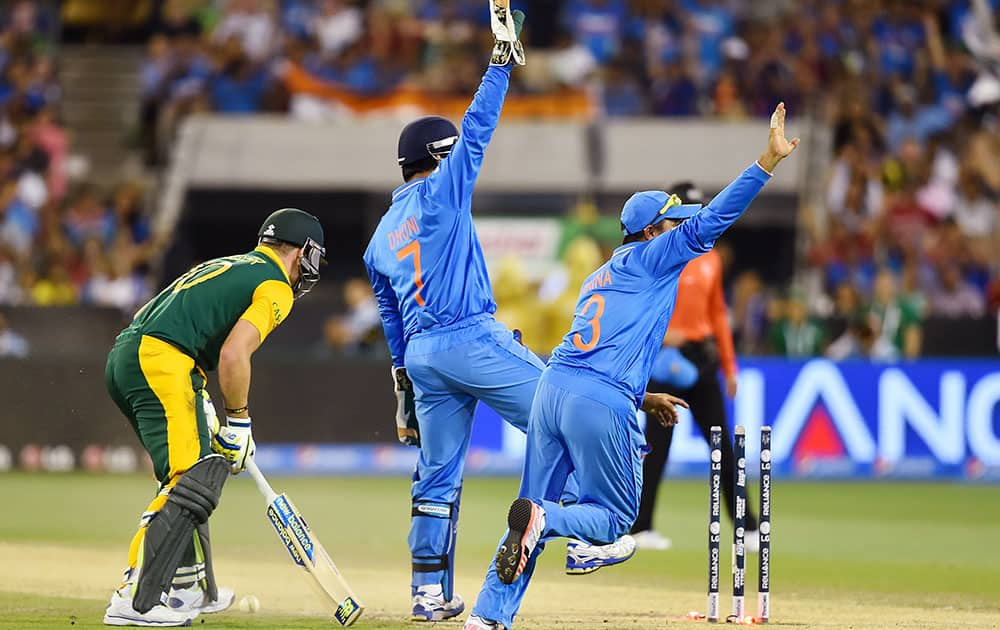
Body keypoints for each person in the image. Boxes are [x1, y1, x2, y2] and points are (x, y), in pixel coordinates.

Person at [465, 102, 799, 630]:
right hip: (599, 400)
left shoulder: (599, 275)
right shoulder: (656, 257)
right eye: (670, 225)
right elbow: (715, 219)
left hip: (554, 390)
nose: (679, 232)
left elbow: (591, 354)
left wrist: (644, 396)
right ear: (650, 233)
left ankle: (487, 616)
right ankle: (550, 522)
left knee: (529, 514)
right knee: (616, 520)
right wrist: (766, 162)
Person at [364, 4, 592, 623]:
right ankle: (584, 534)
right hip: (470, 336)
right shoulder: (443, 191)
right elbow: (480, 125)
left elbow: (389, 326)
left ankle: (427, 595)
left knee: (436, 478)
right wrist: (500, 61)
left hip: (421, 359)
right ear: (438, 157)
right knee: (565, 413)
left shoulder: (380, 235)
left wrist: (404, 397)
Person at [102, 208, 325, 627]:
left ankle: (187, 588)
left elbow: (155, 315)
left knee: (195, 472)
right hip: (162, 360)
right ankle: (137, 599)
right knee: (188, 482)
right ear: (303, 253)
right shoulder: (275, 286)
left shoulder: (229, 264)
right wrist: (238, 420)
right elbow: (234, 354)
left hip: (132, 355)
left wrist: (196, 390)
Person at [626, 181, 760, 553]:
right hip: (663, 358)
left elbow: (717, 312)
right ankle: (641, 527)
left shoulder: (711, 258)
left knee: (722, 443)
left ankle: (746, 527)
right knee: (655, 447)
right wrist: (659, 337)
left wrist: (730, 367)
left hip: (700, 359)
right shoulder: (657, 255)